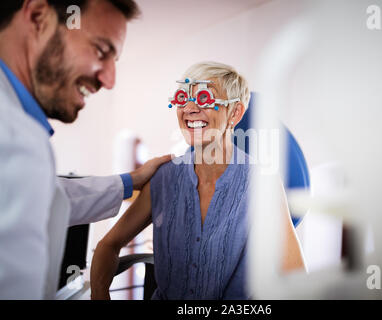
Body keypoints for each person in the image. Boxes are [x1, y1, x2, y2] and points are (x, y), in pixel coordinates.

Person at [0, 0, 172, 299]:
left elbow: (46, 194)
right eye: (101, 51)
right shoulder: (16, 136)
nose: (109, 80)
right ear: (39, 17)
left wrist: (130, 181)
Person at [90, 61, 304, 300]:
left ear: (235, 113)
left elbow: (295, 277)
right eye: (182, 98)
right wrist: (100, 295)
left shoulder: (262, 183)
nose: (189, 109)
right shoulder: (163, 178)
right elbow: (107, 246)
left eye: (204, 98)